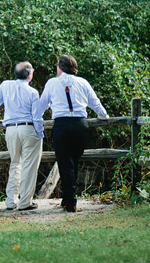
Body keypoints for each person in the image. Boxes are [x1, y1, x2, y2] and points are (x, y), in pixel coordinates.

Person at [39, 54, 108, 212]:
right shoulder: (83, 82)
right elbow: (94, 102)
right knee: (73, 162)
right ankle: (68, 198)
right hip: (80, 125)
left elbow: (42, 104)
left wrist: (35, 118)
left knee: (65, 163)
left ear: (61, 67)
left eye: (57, 65)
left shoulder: (52, 83)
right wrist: (104, 115)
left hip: (62, 125)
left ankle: (70, 201)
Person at [0, 61, 43, 211]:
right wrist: (40, 134)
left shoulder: (5, 85)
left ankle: (11, 201)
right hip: (28, 129)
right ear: (29, 75)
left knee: (15, 164)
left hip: (10, 130)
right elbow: (37, 117)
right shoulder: (33, 92)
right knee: (29, 167)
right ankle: (25, 202)